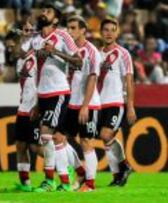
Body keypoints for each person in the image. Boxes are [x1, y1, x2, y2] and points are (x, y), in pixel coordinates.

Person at [28, 3, 82, 192]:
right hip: (42, 94)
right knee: (57, 138)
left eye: (48, 11)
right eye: (43, 10)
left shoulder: (62, 36)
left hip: (58, 92)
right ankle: (68, 179)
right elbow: (36, 72)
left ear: (56, 19)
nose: (43, 13)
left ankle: (50, 181)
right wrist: (36, 101)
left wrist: (56, 52)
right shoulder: (36, 40)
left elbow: (79, 61)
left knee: (45, 135)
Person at [59, 15, 102, 192]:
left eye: (74, 28)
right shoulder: (68, 50)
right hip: (71, 102)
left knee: (85, 141)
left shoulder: (91, 51)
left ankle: (90, 184)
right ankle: (80, 171)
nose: (70, 31)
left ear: (83, 30)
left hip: (88, 104)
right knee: (58, 138)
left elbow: (92, 79)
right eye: (68, 28)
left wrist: (85, 105)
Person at [98, 18, 136, 187]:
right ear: (101, 32)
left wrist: (130, 106)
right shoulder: (97, 53)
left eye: (113, 30)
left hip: (115, 101)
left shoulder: (123, 54)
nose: (109, 33)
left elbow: (129, 81)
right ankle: (118, 176)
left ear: (117, 32)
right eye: (106, 29)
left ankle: (124, 165)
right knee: (106, 140)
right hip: (99, 103)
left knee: (106, 135)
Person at [9, 22, 43, 192]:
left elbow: (20, 51)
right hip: (23, 105)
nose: (29, 32)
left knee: (35, 146)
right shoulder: (21, 55)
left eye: (31, 29)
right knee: (21, 145)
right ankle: (25, 184)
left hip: (35, 105)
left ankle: (66, 169)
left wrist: (39, 104)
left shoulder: (36, 50)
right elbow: (17, 53)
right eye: (25, 29)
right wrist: (15, 41)